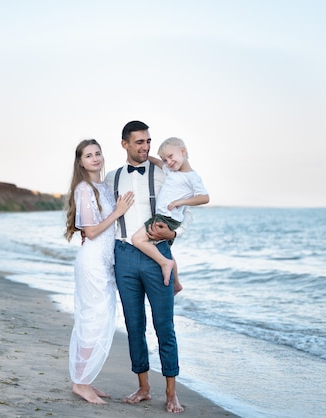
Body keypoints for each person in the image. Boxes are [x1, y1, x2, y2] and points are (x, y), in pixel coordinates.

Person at [105, 121, 192, 414]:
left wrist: (175, 234)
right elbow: (104, 219)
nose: (145, 147)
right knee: (134, 325)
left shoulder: (165, 174)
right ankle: (143, 387)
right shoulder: (111, 178)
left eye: (148, 141)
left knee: (164, 325)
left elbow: (184, 212)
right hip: (124, 256)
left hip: (159, 255)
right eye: (139, 142)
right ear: (125, 144)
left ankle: (171, 393)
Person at [64, 139, 135, 405]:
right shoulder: (84, 189)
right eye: (88, 155)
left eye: (97, 153)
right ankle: (81, 384)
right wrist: (117, 212)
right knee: (94, 320)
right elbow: (91, 231)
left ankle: (84, 379)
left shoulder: (102, 187)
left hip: (104, 262)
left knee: (98, 319)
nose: (95, 158)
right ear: (80, 162)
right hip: (92, 262)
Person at [132, 137, 209, 294]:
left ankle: (165, 264)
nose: (168, 162)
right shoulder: (171, 170)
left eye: (171, 157)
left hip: (167, 218)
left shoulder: (192, 177)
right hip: (165, 217)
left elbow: (204, 198)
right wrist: (146, 157)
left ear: (183, 151)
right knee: (165, 249)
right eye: (165, 159)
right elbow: (159, 164)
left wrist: (181, 201)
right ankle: (176, 283)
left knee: (137, 240)